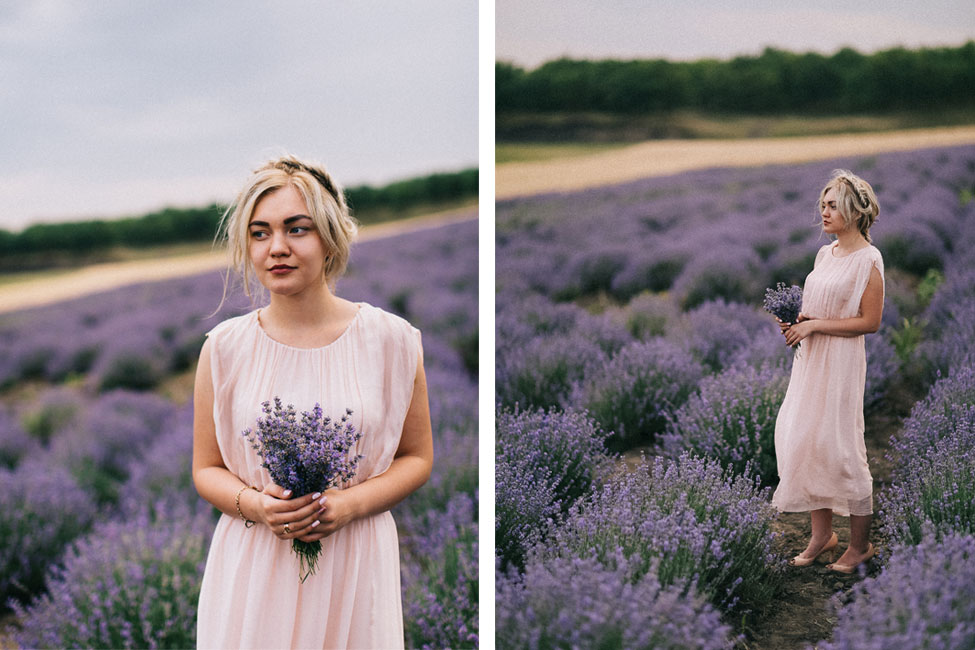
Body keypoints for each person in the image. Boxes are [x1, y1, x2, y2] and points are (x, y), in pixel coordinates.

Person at [192, 155, 433, 648]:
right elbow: (206, 469)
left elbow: (417, 458)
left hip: (355, 559)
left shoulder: (392, 340)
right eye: (259, 234)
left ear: (330, 239)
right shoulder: (223, 348)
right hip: (255, 564)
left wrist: (347, 504)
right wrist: (257, 506)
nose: (276, 248)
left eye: (296, 229)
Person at [771, 169, 883, 574]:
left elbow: (869, 322)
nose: (824, 211)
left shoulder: (869, 259)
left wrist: (815, 325)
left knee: (841, 449)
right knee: (802, 438)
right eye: (822, 205)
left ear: (855, 211)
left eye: (832, 205)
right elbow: (821, 310)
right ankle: (822, 536)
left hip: (841, 364)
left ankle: (860, 545)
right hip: (811, 360)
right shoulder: (825, 254)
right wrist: (799, 321)